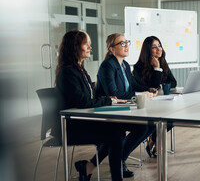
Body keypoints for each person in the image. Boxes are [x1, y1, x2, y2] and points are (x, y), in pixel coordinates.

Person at [55, 30, 126, 181]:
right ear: (75, 47)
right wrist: (109, 101)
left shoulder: (80, 69)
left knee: (118, 131)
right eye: (86, 44)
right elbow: (83, 102)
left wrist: (107, 99)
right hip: (69, 127)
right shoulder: (68, 72)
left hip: (81, 121)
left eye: (90, 44)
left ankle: (88, 167)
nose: (89, 48)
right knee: (115, 135)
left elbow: (90, 97)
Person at [95, 33, 155, 177]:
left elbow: (134, 85)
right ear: (111, 49)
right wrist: (140, 95)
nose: (126, 45)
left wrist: (148, 89)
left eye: (126, 42)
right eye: (121, 43)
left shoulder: (125, 65)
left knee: (151, 124)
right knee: (143, 126)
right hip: (107, 112)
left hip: (122, 110)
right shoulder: (107, 66)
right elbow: (115, 94)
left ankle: (119, 159)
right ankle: (119, 161)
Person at [133, 36, 177, 157]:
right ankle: (155, 144)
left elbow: (173, 82)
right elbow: (150, 88)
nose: (159, 49)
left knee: (171, 119)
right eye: (154, 47)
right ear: (147, 50)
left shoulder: (163, 62)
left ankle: (153, 142)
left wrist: (161, 86)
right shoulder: (138, 67)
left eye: (159, 45)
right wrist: (157, 69)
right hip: (147, 105)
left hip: (162, 101)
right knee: (161, 120)